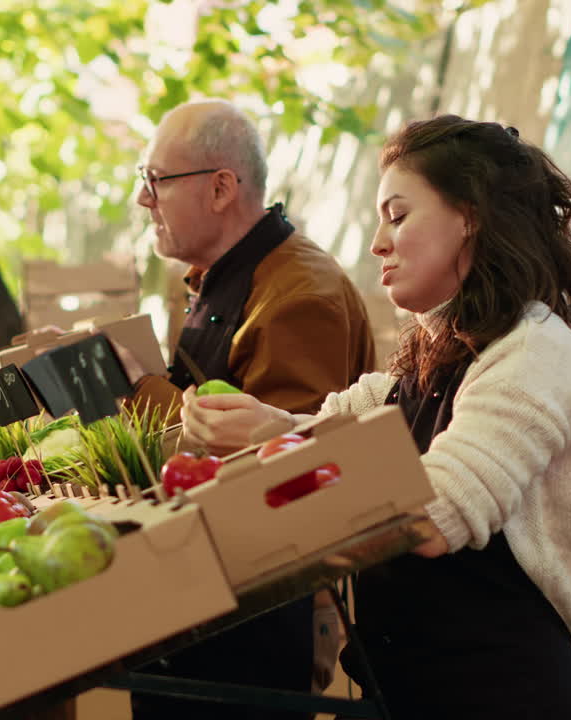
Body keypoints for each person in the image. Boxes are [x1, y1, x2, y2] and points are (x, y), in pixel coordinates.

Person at [181, 115, 571, 719]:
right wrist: (272, 429)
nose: (377, 243)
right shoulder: (427, 365)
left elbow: (435, 514)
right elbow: (336, 428)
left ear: (470, 216)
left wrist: (278, 440)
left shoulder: (533, 352)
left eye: (398, 215)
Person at [125, 99, 377, 720]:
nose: (142, 200)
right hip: (202, 600)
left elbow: (285, 489)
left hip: (253, 626)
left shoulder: (300, 297)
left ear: (220, 188)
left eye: (155, 180)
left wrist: (136, 389)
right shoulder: (227, 275)